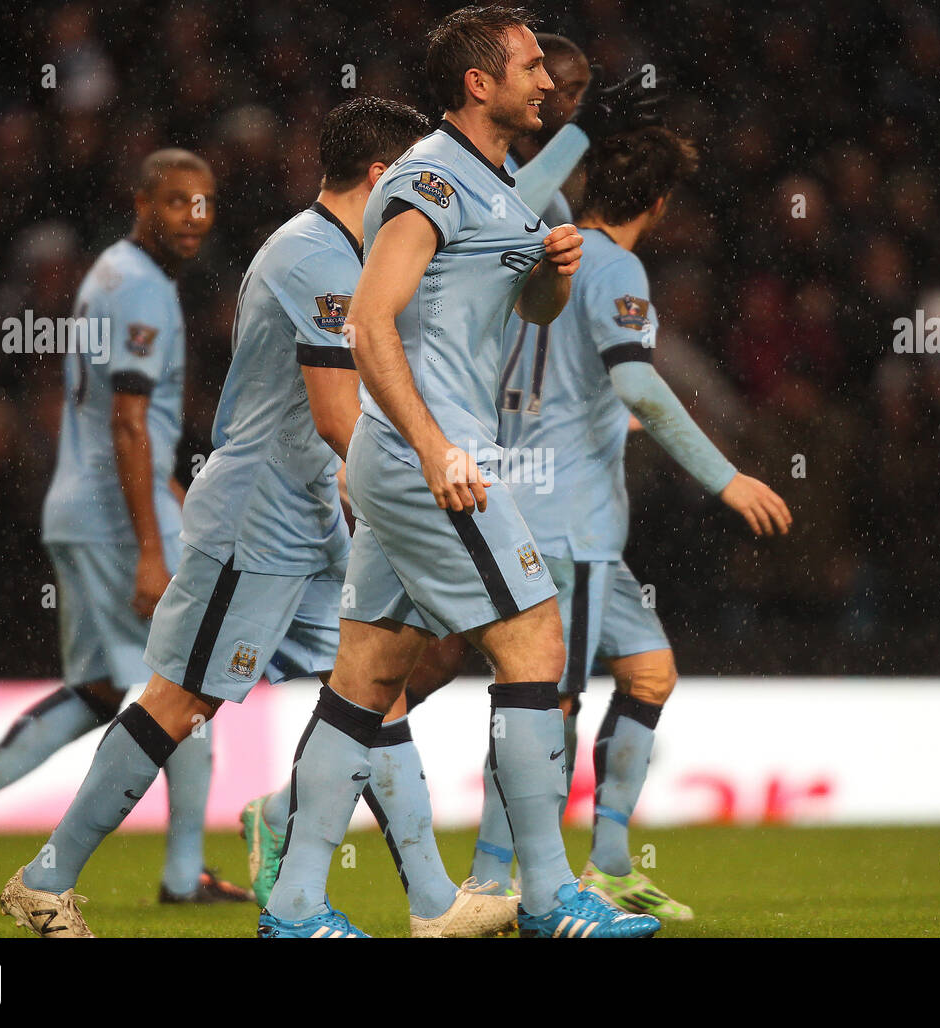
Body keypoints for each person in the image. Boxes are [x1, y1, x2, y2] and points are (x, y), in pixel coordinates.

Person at [0, 99, 515, 939]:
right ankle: (45, 883)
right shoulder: (313, 256)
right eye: (427, 179)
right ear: (385, 178)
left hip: (309, 513)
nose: (437, 194)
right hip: (256, 518)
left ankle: (432, 905)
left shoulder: (350, 253)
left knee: (373, 689)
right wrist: (425, 478)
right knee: (179, 701)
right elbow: (334, 415)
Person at [260, 5, 661, 939]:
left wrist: (553, 269)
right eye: (528, 65)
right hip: (429, 458)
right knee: (534, 647)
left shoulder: (501, 183)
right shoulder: (433, 177)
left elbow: (532, 310)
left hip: (423, 456)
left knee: (364, 679)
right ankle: (550, 899)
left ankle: (292, 909)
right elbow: (369, 317)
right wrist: (436, 446)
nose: (545, 80)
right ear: (478, 84)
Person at [0, 149, 247, 909]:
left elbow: (122, 425)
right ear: (140, 202)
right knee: (192, 677)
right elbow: (127, 423)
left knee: (98, 691)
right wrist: (154, 547)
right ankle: (182, 871)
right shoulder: (143, 290)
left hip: (86, 506)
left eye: (205, 202)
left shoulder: (108, 278)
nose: (194, 217)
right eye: (176, 202)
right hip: (116, 518)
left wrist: (175, 490)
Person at [481, 126, 792, 916]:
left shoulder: (540, 249)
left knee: (649, 672)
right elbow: (642, 388)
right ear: (659, 203)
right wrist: (727, 479)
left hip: (540, 507)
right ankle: (507, 883)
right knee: (545, 704)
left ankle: (609, 862)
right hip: (566, 527)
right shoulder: (616, 268)